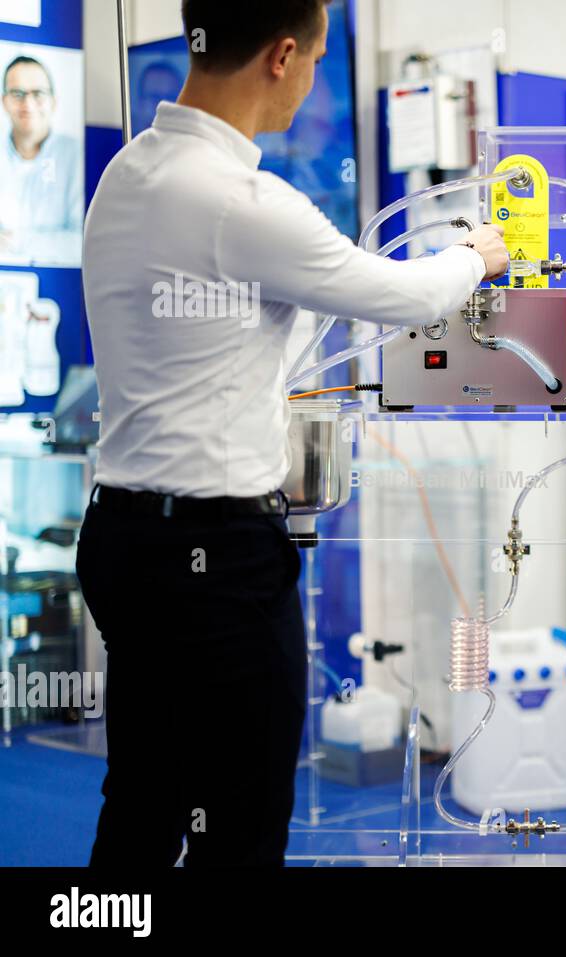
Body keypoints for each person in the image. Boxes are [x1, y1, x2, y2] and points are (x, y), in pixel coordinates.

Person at [77, 0, 508, 867]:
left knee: (143, 801)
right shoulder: (243, 201)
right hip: (218, 561)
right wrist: (480, 256)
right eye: (311, 61)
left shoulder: (127, 174)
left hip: (123, 540)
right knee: (242, 817)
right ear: (281, 57)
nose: (309, 81)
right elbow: (406, 296)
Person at [0, 54, 83, 265]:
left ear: (53, 102)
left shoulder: (76, 155)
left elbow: (81, 242)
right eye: (17, 93)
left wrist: (18, 241)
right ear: (4, 101)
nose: (27, 103)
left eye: (38, 93)